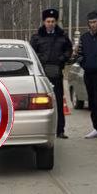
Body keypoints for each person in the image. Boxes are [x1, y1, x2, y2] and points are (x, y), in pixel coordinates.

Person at [29, 8, 73, 138]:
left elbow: (69, 50)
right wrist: (41, 60)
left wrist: (62, 59)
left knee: (58, 102)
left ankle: (60, 130)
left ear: (56, 22)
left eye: (53, 21)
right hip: (41, 75)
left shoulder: (62, 36)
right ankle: (40, 130)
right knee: (40, 103)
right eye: (48, 21)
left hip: (57, 73)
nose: (50, 24)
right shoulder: (37, 37)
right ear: (44, 22)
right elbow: (32, 53)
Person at [74, 10, 97, 138]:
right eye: (90, 22)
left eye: (94, 22)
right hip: (88, 73)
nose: (93, 25)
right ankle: (96, 127)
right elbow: (79, 55)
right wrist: (84, 63)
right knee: (91, 101)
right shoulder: (84, 37)